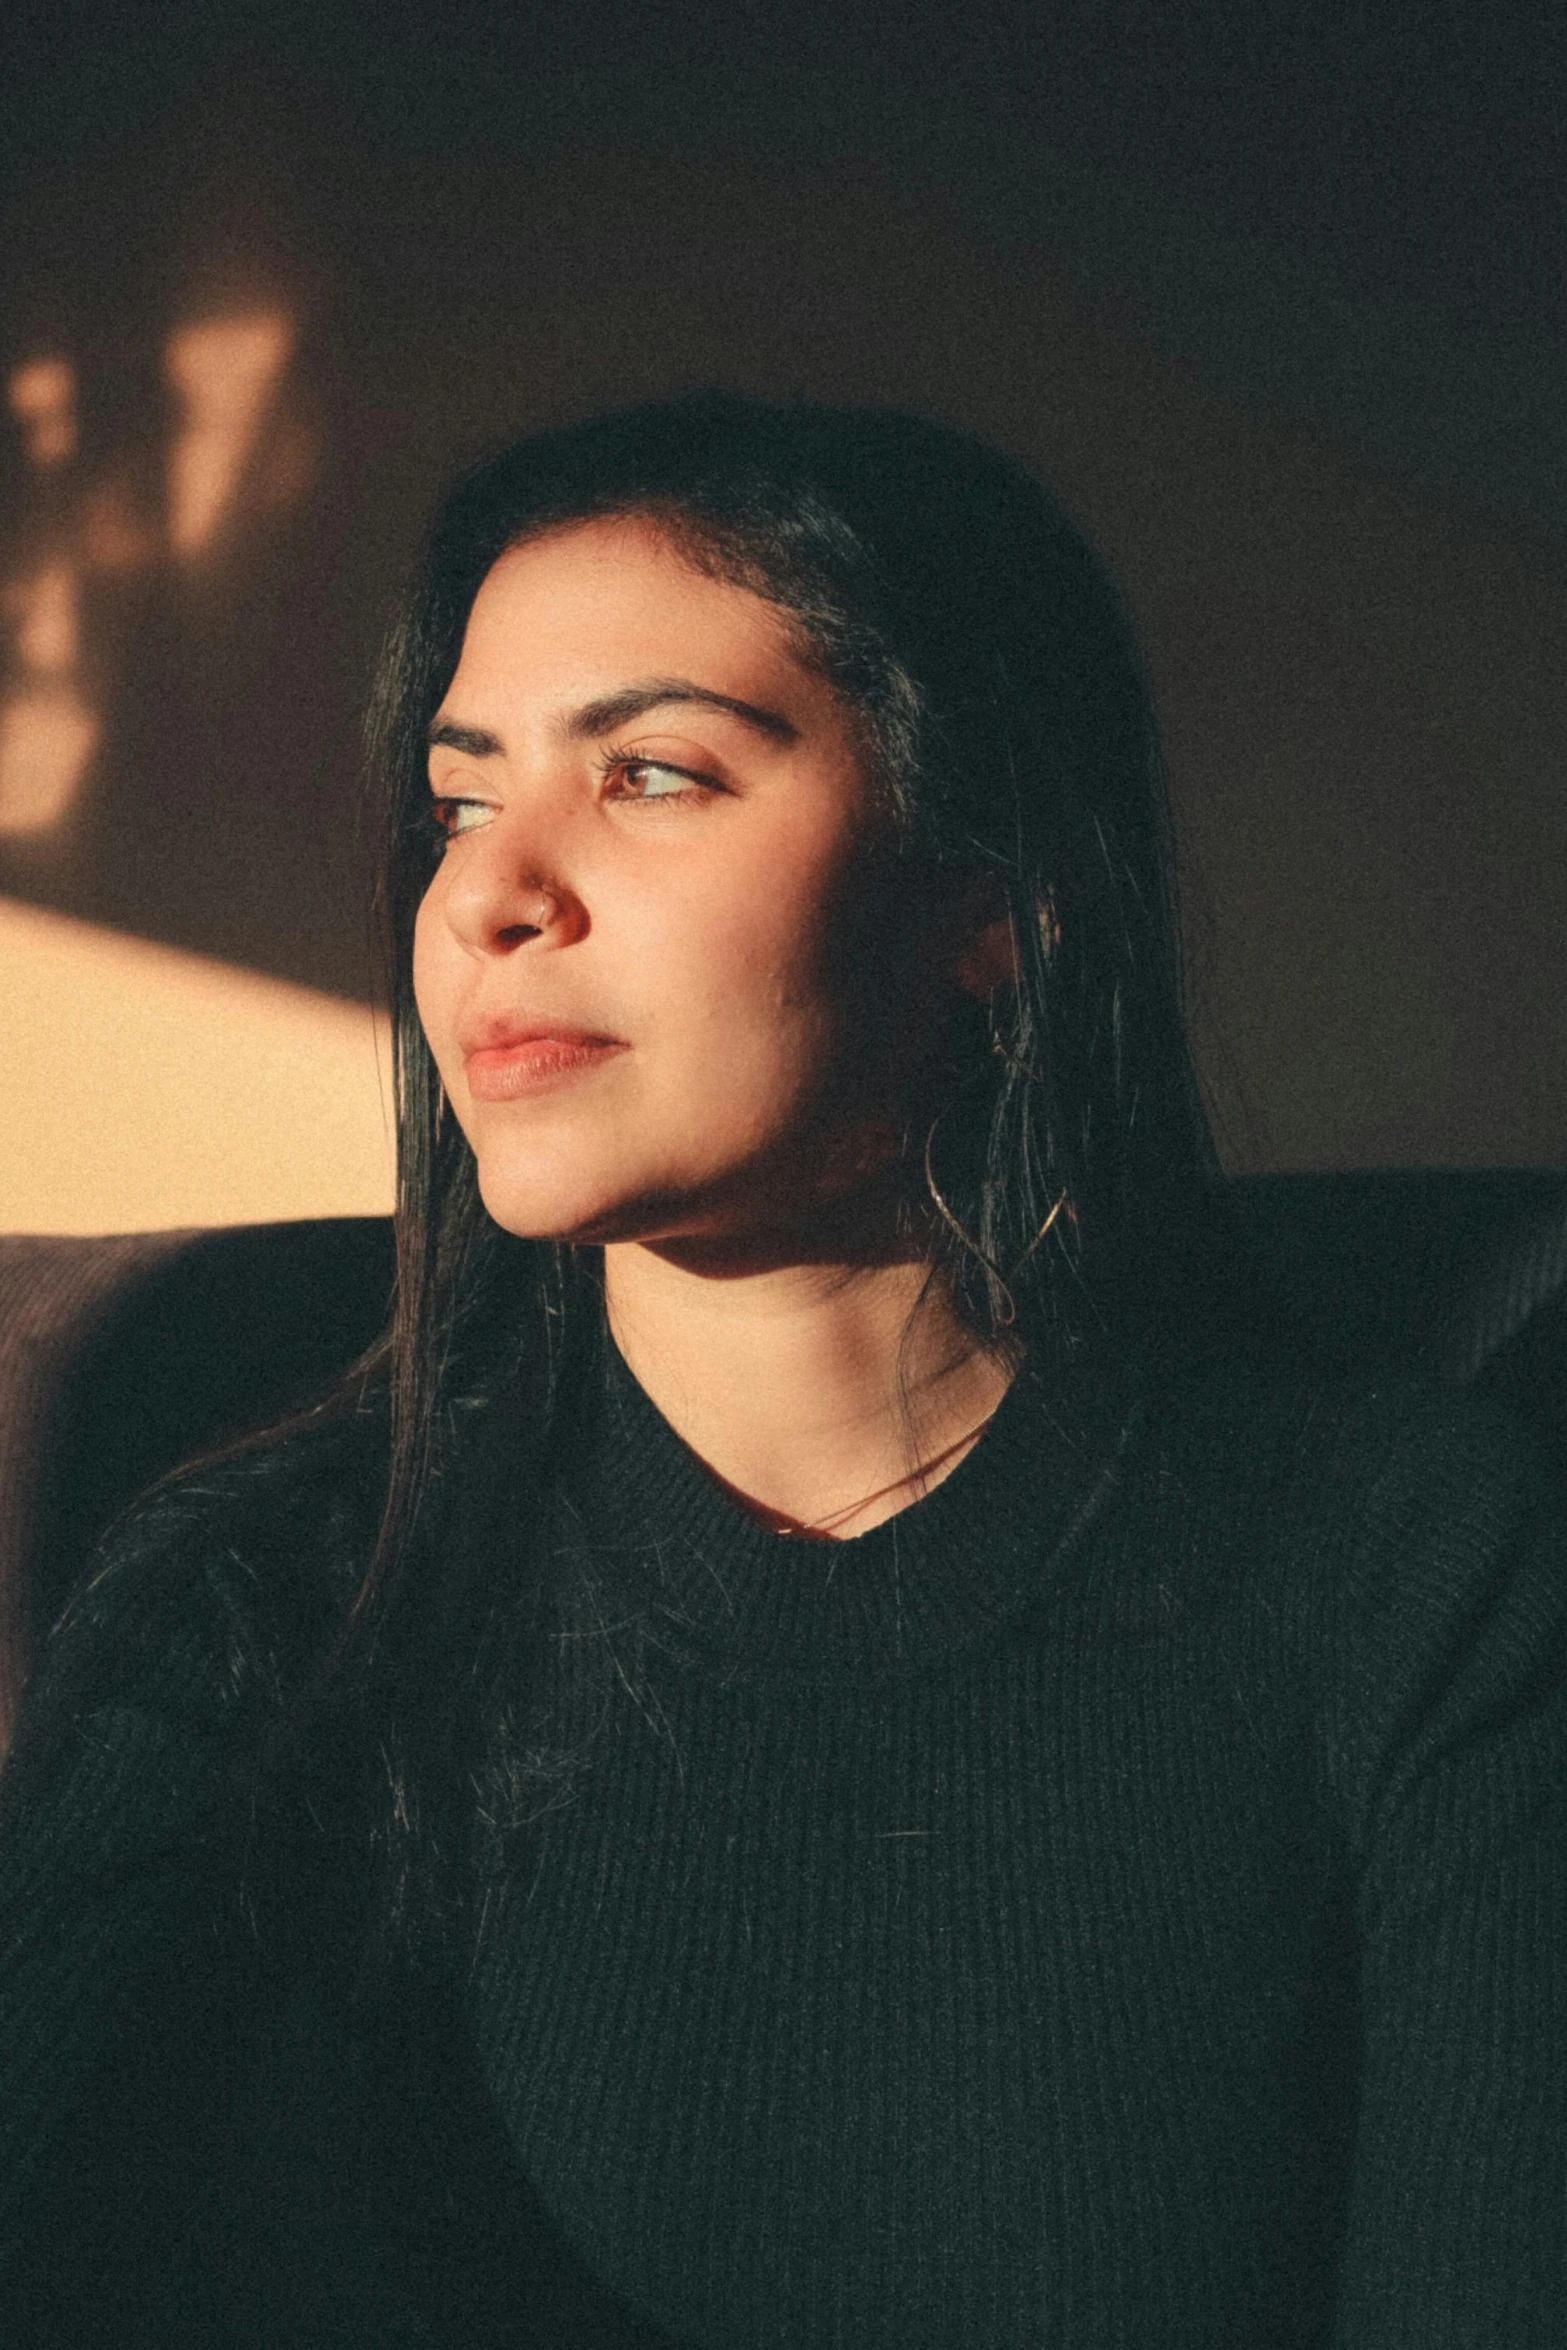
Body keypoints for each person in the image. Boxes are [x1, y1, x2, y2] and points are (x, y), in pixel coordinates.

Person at [1, 389, 1562, 2348]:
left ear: (997, 896)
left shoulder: (1408, 1568)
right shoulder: (256, 1607)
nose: (493, 890)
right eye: (464, 798)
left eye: (651, 773)